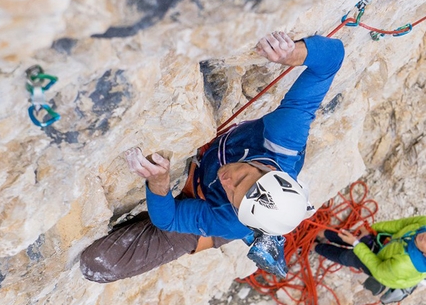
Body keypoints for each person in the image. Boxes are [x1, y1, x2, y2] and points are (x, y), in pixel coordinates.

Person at [80, 31, 345, 283]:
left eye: (233, 193)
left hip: (206, 208)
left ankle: (262, 233)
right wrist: (294, 54)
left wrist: (159, 184)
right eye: (242, 178)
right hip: (219, 192)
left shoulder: (231, 221)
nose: (227, 180)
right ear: (266, 169)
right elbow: (332, 59)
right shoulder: (282, 139)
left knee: (96, 265)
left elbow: (168, 220)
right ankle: (268, 230)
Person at [314, 217, 426, 300]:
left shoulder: (403, 265)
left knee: (348, 257)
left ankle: (314, 246)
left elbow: (377, 267)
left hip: (382, 268)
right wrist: (372, 229)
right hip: (392, 248)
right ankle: (318, 232)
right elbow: (400, 224)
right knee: (354, 235)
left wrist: (356, 244)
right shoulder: (424, 224)